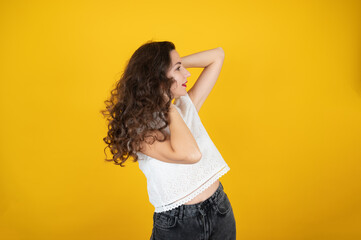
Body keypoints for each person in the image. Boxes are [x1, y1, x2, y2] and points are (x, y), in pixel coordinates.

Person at [101, 40, 236, 240]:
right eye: (179, 68)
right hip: (179, 223)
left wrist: (173, 67)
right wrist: (167, 104)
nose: (187, 73)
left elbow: (218, 55)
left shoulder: (185, 107)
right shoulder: (139, 132)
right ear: (158, 79)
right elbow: (191, 154)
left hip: (219, 208)